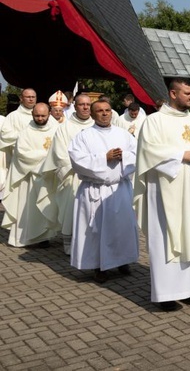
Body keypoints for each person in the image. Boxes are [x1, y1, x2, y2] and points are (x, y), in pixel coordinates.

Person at [133, 78, 190, 312]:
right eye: (186, 93)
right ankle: (166, 293)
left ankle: (189, 287)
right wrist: (183, 155)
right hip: (167, 189)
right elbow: (149, 150)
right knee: (169, 237)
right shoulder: (154, 121)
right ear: (172, 93)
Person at [68, 99, 139, 283]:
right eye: (100, 110)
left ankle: (123, 260)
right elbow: (77, 160)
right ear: (92, 114)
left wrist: (123, 156)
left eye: (107, 110)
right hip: (95, 191)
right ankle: (99, 266)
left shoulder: (124, 134)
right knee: (96, 231)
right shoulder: (83, 136)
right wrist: (104, 158)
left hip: (119, 189)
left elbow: (138, 154)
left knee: (122, 227)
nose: (105, 113)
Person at [38, 93, 94, 254]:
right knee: (70, 208)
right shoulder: (65, 128)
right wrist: (83, 168)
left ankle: (90, 242)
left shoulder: (96, 126)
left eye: (88, 104)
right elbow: (60, 154)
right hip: (73, 175)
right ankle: (69, 242)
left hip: (95, 175)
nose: (85, 107)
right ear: (74, 106)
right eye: (81, 104)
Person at [1, 103, 59, 248]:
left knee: (44, 207)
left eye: (43, 115)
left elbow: (59, 150)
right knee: (26, 209)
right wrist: (45, 157)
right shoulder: (25, 132)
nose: (40, 118)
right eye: (37, 115)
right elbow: (22, 154)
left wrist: (49, 161)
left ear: (49, 114)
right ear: (32, 115)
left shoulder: (56, 129)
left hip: (47, 177)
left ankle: (43, 237)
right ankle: (22, 238)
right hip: (28, 178)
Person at [0, 88, 37, 184]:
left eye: (33, 97)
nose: (31, 99)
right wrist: (25, 135)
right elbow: (5, 135)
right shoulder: (13, 116)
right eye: (28, 97)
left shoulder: (42, 115)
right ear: (21, 98)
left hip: (39, 161)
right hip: (19, 162)